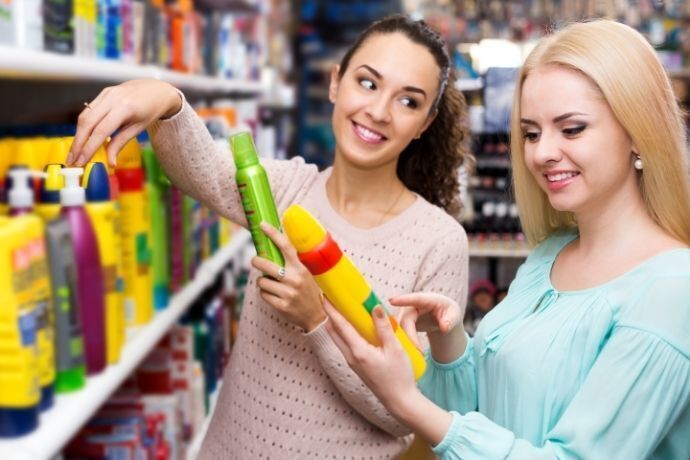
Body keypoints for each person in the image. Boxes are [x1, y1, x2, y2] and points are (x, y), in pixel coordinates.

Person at [68, 15, 471, 459]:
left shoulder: (439, 241)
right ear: (336, 83)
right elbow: (198, 168)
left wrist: (316, 320)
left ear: (426, 123)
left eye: (408, 102)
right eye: (368, 83)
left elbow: (404, 413)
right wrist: (165, 97)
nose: (378, 111)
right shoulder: (284, 189)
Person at [325, 19, 690, 460]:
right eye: (531, 133)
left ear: (638, 131)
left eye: (571, 129)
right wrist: (449, 341)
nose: (541, 153)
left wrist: (406, 401)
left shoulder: (672, 291)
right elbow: (483, 411)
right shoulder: (550, 256)